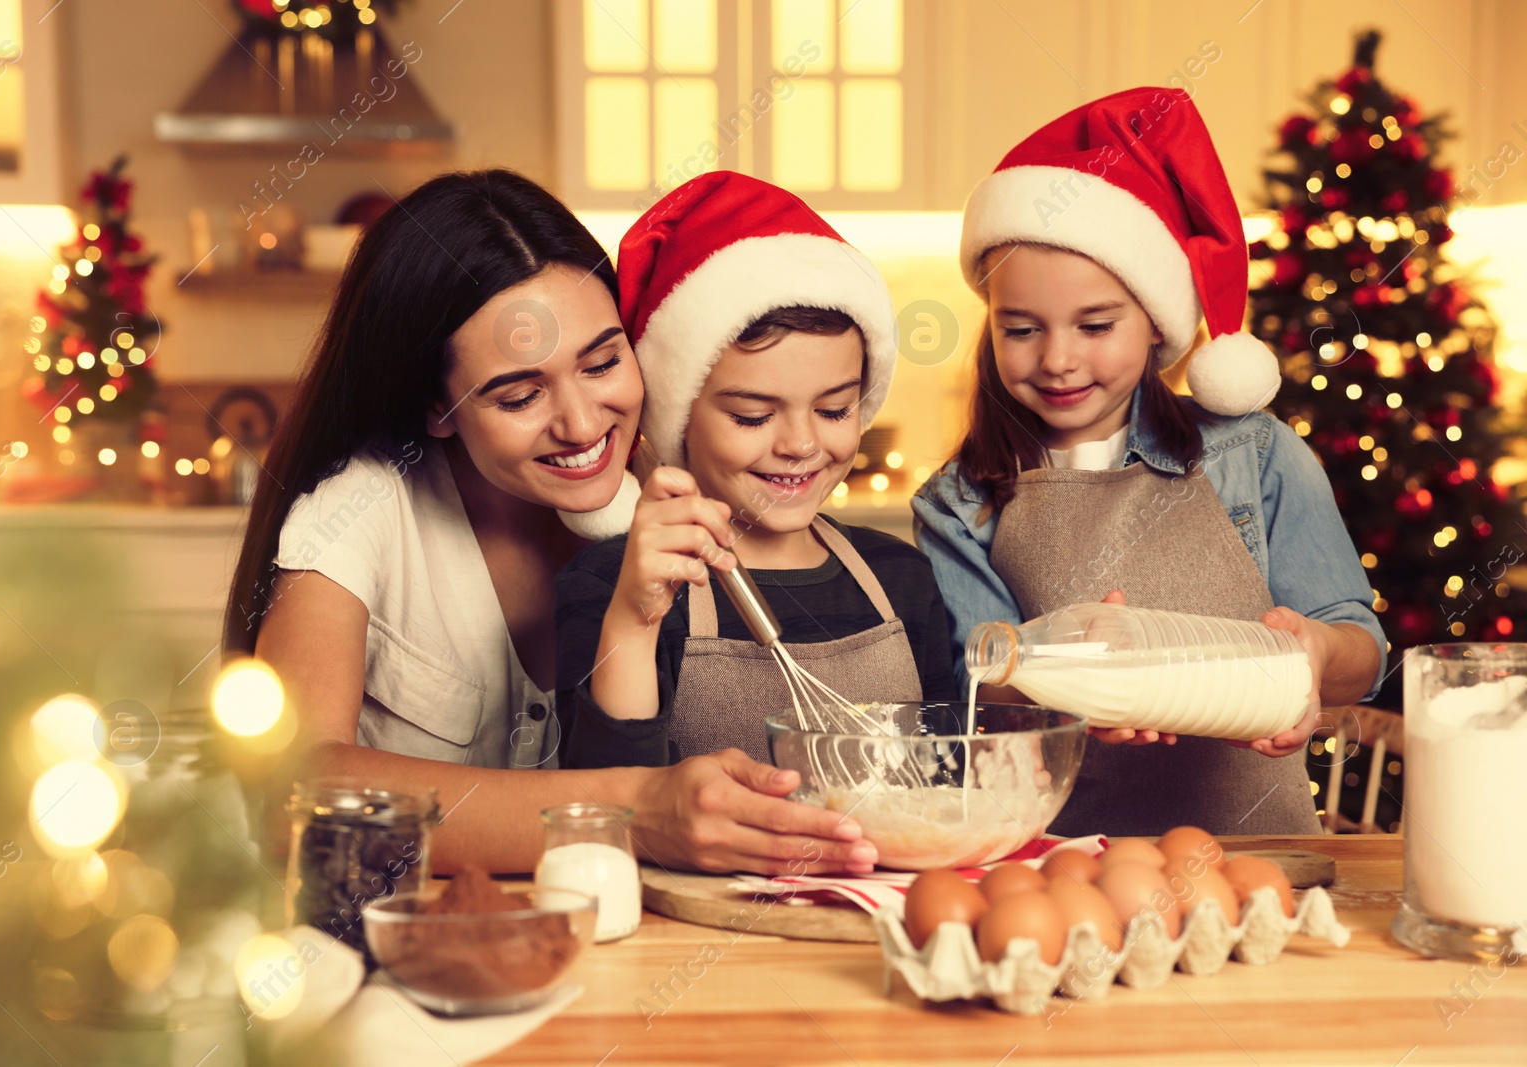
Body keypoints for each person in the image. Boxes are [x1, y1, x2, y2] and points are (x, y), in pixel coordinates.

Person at [227, 169, 877, 875]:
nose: (582, 424)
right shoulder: (356, 513)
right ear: (435, 407)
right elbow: (291, 795)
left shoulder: (668, 511)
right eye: (518, 395)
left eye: (601, 363)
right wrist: (634, 811)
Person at [912, 88, 1386, 836]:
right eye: (1021, 328)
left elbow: (1364, 651)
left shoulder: (1251, 454)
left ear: (1156, 322)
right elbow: (983, 684)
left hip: (1265, 855)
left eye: (1095, 324)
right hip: (1063, 864)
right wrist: (1074, 689)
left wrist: (1319, 650)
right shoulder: (958, 501)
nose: (1058, 358)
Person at [555, 172, 958, 769]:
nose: (800, 444)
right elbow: (609, 798)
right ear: (678, 416)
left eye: (833, 409)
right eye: (751, 416)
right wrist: (634, 621)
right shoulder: (613, 584)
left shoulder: (900, 576)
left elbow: (947, 771)